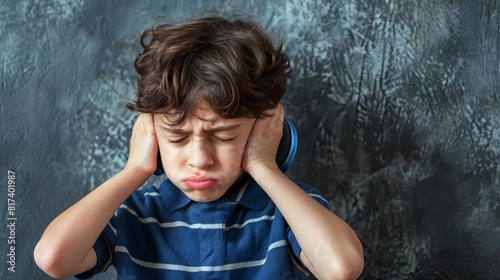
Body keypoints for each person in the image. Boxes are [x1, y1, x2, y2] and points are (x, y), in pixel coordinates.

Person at [34, 16, 364, 280]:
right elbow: (53, 259)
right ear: (151, 133)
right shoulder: (133, 214)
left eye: (223, 137)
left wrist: (264, 166)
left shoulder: (289, 210)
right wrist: (135, 170)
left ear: (265, 130)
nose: (200, 160)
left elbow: (341, 268)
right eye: (177, 138)